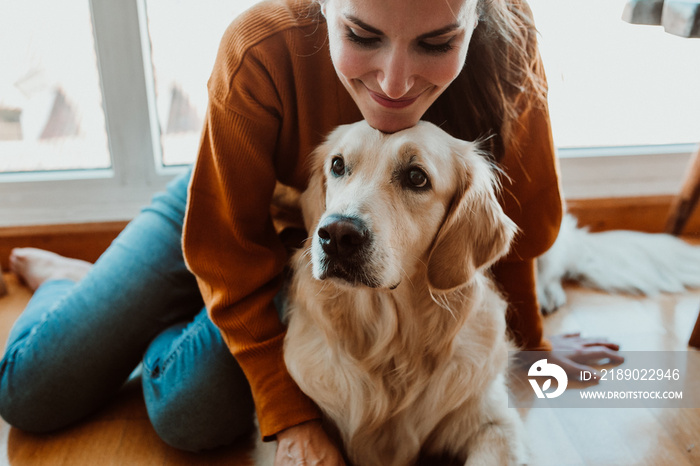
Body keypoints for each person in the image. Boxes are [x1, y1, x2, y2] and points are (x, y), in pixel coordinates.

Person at [1, 0, 621, 463]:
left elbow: (508, 231)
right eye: (360, 34)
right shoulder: (261, 46)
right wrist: (291, 417)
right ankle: (75, 284)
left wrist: (526, 354)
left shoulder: (509, 45)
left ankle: (141, 306)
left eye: (437, 42)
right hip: (223, 217)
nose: (395, 82)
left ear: (476, 16)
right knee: (31, 390)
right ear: (324, 7)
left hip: (319, 251)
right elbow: (224, 248)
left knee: (188, 412)